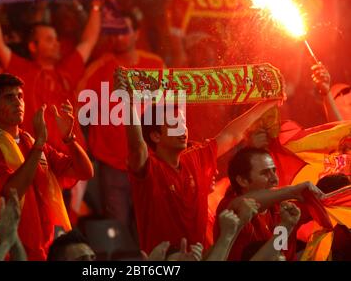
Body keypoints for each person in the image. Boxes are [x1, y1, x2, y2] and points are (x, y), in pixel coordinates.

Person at [113, 66, 281, 254]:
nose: (183, 129)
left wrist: (269, 102)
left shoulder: (196, 158)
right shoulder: (149, 168)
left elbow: (232, 135)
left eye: (183, 123)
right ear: (155, 136)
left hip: (200, 257)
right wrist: (127, 103)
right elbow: (136, 146)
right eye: (174, 124)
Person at [0, 73, 94, 260]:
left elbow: (85, 172)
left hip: (47, 246)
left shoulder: (33, 142)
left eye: (20, 96)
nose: (18, 102)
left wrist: (69, 139)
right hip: (15, 247)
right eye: (9, 97)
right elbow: (10, 193)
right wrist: (37, 148)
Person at [77, 13, 165, 235]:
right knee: (117, 229)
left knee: (153, 225)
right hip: (112, 164)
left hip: (150, 163)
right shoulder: (99, 69)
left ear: (137, 33)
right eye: (113, 32)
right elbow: (78, 109)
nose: (118, 37)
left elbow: (169, 109)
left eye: (123, 31)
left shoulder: (154, 65)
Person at [0, 0, 102, 151]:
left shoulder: (67, 68)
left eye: (56, 39)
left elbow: (89, 41)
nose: (56, 44)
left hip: (73, 157)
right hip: (39, 157)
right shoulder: (22, 70)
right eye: (49, 40)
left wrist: (96, 6)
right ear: (33, 46)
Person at [214, 147, 323, 261]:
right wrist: (292, 191)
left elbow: (275, 250)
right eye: (265, 173)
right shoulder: (230, 208)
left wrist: (287, 226)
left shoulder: (283, 208)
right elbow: (243, 202)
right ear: (243, 181)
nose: (274, 179)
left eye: (274, 171)